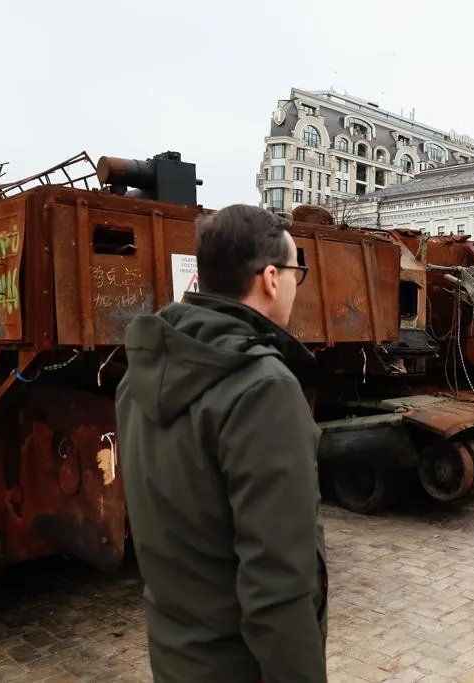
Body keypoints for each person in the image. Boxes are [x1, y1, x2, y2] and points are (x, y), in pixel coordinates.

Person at [116, 205, 328, 682]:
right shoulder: (264, 389)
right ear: (271, 279)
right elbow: (278, 586)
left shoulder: (140, 375)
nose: (296, 284)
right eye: (298, 272)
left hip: (178, 657)